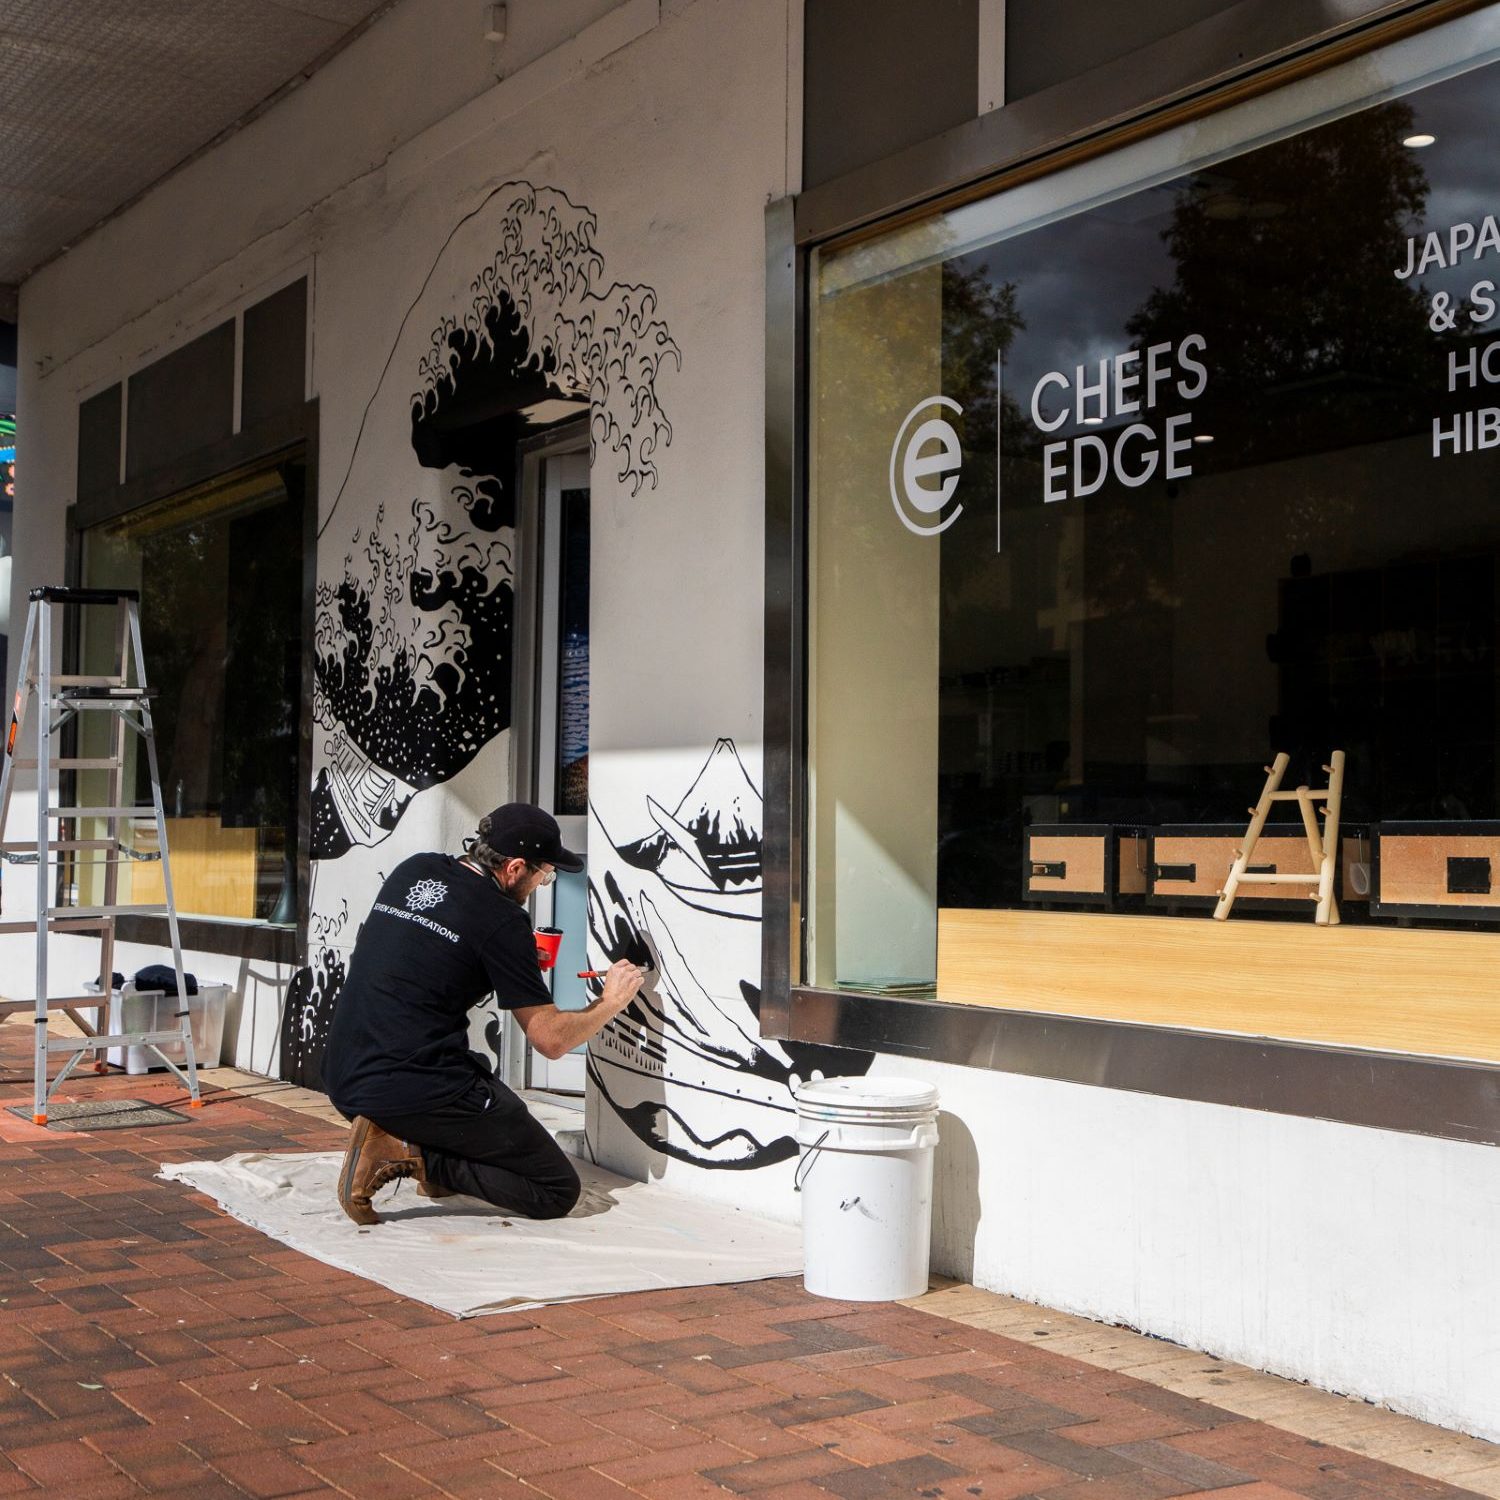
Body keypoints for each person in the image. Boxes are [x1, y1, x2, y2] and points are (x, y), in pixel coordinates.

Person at [324, 803, 646, 1226]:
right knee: (555, 1189)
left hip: (343, 1074)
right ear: (515, 868)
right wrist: (610, 1002)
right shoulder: (503, 921)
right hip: (405, 1085)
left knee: (483, 1087)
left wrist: (508, 965)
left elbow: (421, 956)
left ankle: (421, 1148)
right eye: (545, 875)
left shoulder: (416, 868)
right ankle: (408, 1153)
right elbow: (551, 1040)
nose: (542, 885)